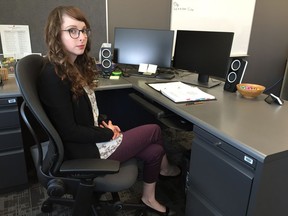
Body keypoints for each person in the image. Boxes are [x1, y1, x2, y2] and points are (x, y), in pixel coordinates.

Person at [39, 5, 180, 216]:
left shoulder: (72, 67)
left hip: (91, 138)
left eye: (84, 30)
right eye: (72, 30)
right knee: (154, 131)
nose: (81, 37)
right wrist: (107, 133)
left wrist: (105, 123)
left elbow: (87, 111)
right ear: (55, 35)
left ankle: (148, 198)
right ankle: (166, 170)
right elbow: (68, 131)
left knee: (155, 151)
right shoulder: (53, 75)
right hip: (82, 151)